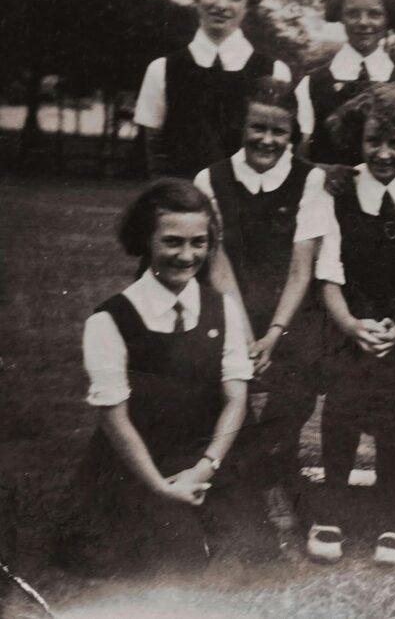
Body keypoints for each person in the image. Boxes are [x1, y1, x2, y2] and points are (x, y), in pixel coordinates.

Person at [59, 180, 253, 576]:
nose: (187, 256)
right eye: (172, 242)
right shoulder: (110, 319)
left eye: (199, 242)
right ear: (146, 241)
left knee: (245, 546)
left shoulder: (223, 309)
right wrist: (160, 487)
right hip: (139, 465)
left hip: (203, 456)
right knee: (165, 560)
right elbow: (114, 418)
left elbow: (236, 399)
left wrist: (206, 466)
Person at [193, 76, 332, 559]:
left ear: (293, 132)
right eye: (258, 128)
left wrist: (273, 333)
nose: (268, 141)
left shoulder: (310, 179)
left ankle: (262, 482)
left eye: (280, 131)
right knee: (221, 384)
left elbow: (301, 267)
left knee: (293, 391)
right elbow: (217, 262)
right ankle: (248, 490)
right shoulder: (210, 179)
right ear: (242, 126)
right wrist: (241, 332)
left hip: (289, 314)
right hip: (229, 310)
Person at [308, 84, 395, 566]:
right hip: (349, 320)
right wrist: (352, 325)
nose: (384, 153)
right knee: (342, 398)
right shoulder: (338, 191)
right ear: (356, 140)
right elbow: (328, 274)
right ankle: (331, 510)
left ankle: (392, 515)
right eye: (373, 141)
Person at [135, 0, 292, 178]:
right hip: (185, 206)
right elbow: (153, 151)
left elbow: (277, 151)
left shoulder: (274, 71)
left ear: (248, 3)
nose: (221, 4)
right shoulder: (162, 70)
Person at [296, 0, 395, 167]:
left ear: (389, 18)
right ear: (339, 15)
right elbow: (300, 157)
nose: (363, 22)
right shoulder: (312, 84)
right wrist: (326, 172)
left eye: (374, 14)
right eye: (353, 13)